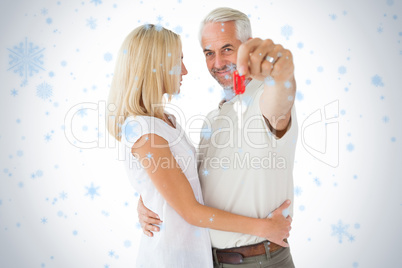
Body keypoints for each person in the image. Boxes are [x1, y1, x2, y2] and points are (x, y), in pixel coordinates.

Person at [107, 24, 292, 268]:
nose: (184, 70)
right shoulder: (145, 131)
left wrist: (148, 197)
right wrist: (265, 228)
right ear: (155, 66)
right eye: (177, 61)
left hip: (195, 256)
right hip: (173, 259)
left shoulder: (166, 122)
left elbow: (182, 183)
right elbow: (190, 210)